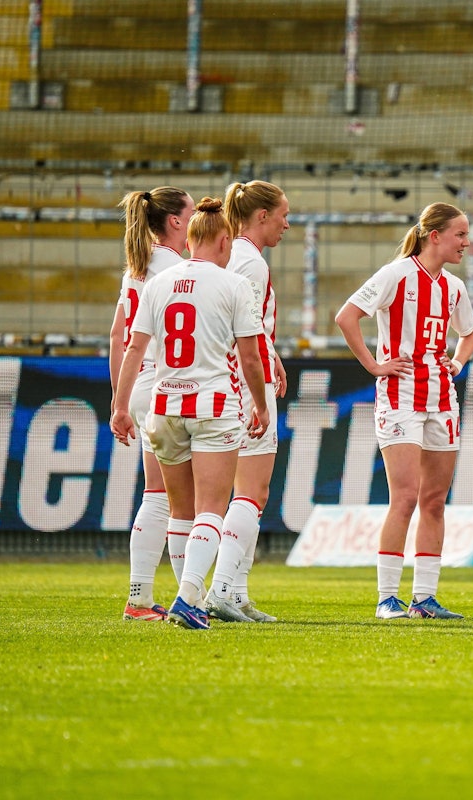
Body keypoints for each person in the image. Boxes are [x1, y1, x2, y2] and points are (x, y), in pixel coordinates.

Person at [111, 197, 270, 630]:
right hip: (212, 404)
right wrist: (259, 402)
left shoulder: (155, 280)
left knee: (175, 509)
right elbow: (252, 359)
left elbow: (132, 347)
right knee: (210, 510)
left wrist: (120, 405)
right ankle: (187, 599)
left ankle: (172, 598)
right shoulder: (233, 284)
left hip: (161, 404)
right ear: (223, 241)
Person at [335, 203, 473, 620]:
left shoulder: (453, 287)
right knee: (405, 497)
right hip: (400, 398)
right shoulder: (396, 274)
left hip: (442, 400)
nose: (466, 243)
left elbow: (469, 334)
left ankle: (424, 598)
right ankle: (386, 599)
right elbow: (347, 317)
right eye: (460, 234)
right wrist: (375, 366)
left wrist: (458, 362)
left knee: (434, 500)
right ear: (434, 235)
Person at [203, 180, 290, 624]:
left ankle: (235, 593)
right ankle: (222, 589)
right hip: (242, 385)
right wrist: (264, 369)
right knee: (252, 493)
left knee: (239, 493)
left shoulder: (231, 256)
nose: (287, 225)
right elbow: (244, 331)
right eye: (282, 216)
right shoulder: (250, 263)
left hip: (221, 382)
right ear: (261, 217)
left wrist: (269, 354)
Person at [109, 186, 195, 622]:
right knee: (183, 502)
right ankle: (187, 601)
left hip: (143, 387)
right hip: (172, 385)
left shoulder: (136, 269)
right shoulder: (180, 270)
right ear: (176, 221)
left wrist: (120, 403)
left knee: (156, 493)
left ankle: (140, 599)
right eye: (192, 212)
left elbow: (117, 337)